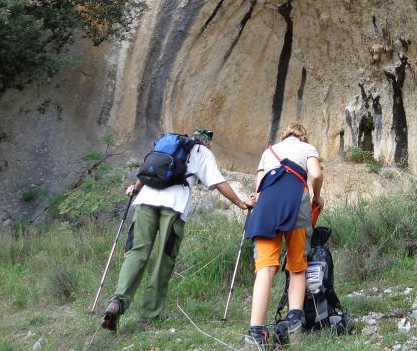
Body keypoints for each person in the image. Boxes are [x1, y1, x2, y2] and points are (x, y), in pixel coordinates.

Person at [102, 129, 251, 331]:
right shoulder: (201, 152)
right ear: (206, 142)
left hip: (146, 201)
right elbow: (218, 182)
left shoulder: (166, 145)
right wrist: (240, 203)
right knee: (164, 258)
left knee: (137, 252)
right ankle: (148, 315)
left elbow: (146, 172)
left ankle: (117, 302)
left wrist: (135, 189)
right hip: (173, 207)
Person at [244, 123, 324, 349]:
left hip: (268, 205)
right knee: (297, 265)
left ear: (284, 135)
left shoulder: (268, 152)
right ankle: (294, 330)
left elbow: (259, 188)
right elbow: (316, 174)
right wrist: (317, 197)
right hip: (297, 200)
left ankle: (256, 335)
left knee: (266, 267)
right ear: (303, 135)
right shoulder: (307, 147)